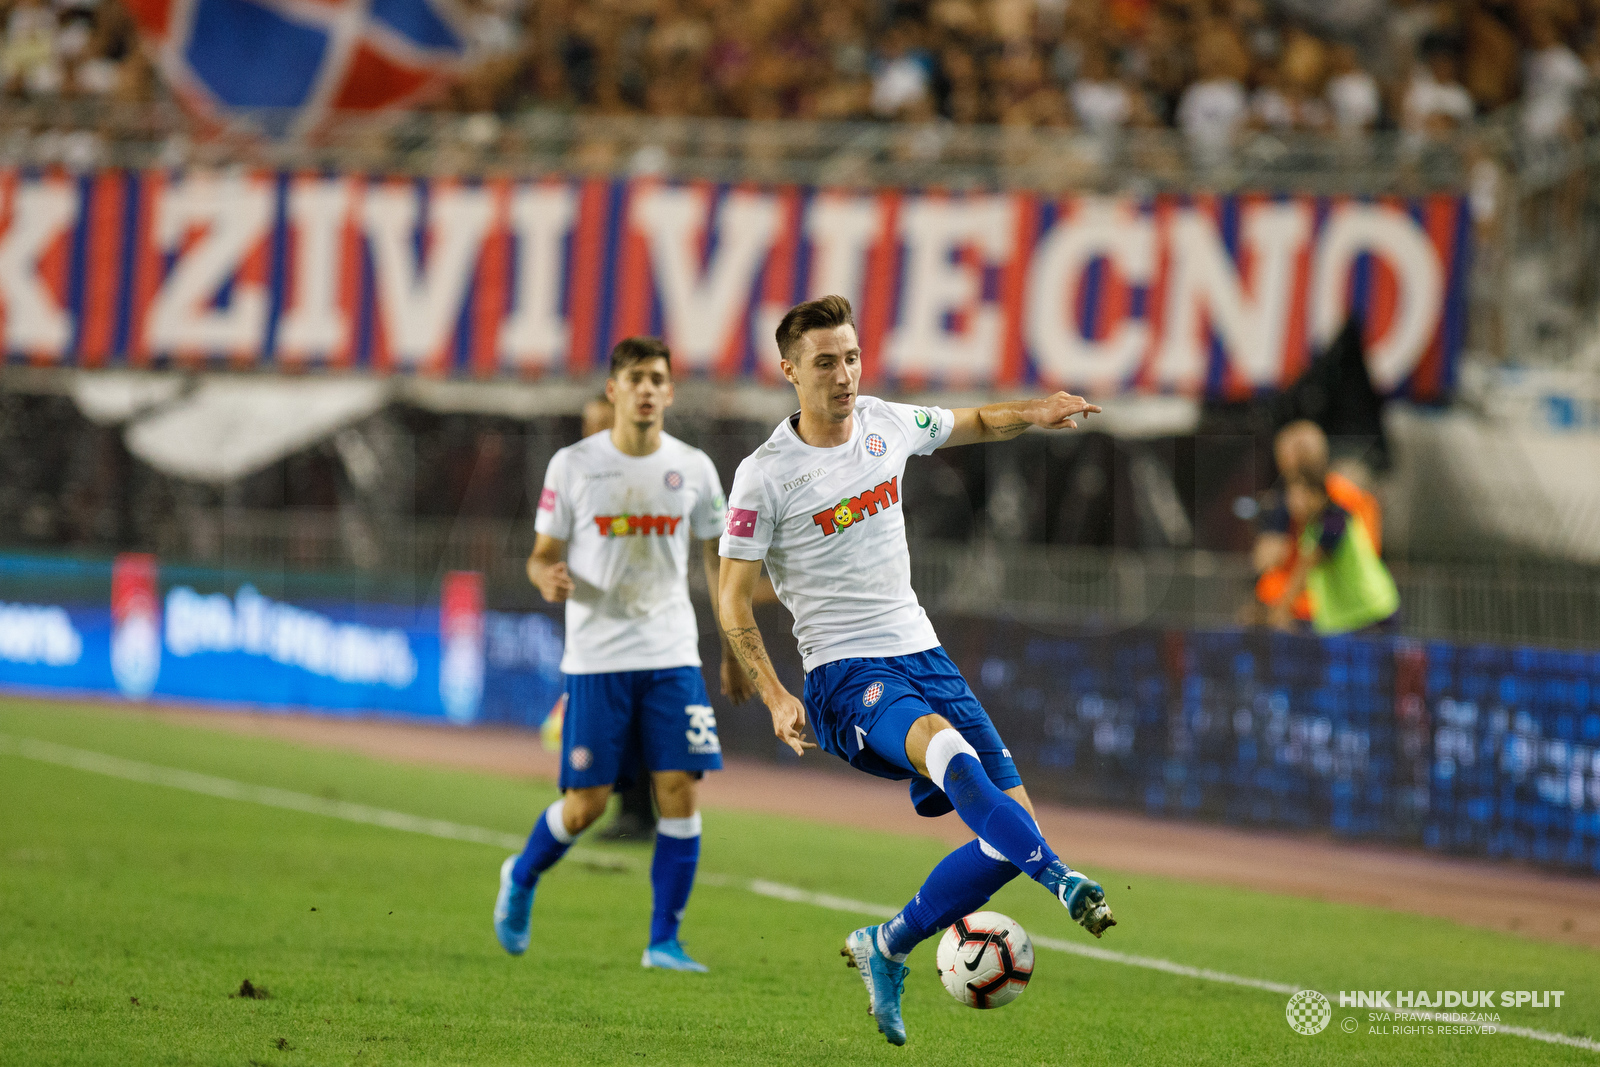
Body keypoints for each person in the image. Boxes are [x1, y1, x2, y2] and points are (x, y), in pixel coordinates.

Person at [716, 296, 1115, 1047]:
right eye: (826, 362)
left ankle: (889, 944)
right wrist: (773, 691)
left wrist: (1036, 409)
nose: (845, 374)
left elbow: (972, 422)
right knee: (944, 747)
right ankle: (1062, 878)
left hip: (924, 654)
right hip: (842, 673)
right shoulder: (765, 474)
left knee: (1010, 831)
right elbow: (730, 591)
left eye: (853, 356)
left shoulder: (884, 423)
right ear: (788, 372)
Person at [494, 337, 755, 972]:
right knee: (587, 806)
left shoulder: (693, 468)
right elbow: (539, 555)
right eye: (635, 378)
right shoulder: (573, 465)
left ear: (669, 392)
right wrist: (545, 577)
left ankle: (663, 941)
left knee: (680, 792)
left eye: (657, 379)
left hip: (671, 654)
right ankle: (522, 875)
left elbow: (715, 564)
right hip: (597, 659)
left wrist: (731, 651)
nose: (646, 389)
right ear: (613, 390)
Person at [1252, 420, 1381, 626]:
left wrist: (1283, 608)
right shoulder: (1340, 500)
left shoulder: (1335, 503)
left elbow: (1297, 559)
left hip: (1350, 613)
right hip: (1336, 614)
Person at [1269, 465, 1399, 635]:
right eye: (1291, 495)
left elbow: (1309, 564)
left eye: (1300, 495)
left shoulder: (1336, 519)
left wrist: (1282, 610)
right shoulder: (1309, 529)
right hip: (1341, 623)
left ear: (1317, 495)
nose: (1293, 502)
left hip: (1372, 615)